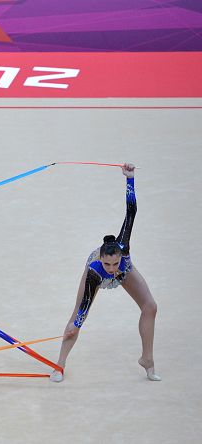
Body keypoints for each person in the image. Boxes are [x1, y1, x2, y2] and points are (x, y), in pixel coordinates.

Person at [50, 163, 159, 383]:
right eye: (108, 265)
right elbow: (84, 306)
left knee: (150, 307)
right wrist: (78, 323)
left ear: (120, 255)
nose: (112, 268)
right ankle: (59, 365)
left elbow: (131, 211)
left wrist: (130, 179)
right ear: (101, 259)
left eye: (114, 263)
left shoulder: (122, 251)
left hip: (126, 272)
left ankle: (147, 359)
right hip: (96, 278)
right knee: (75, 320)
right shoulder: (96, 271)